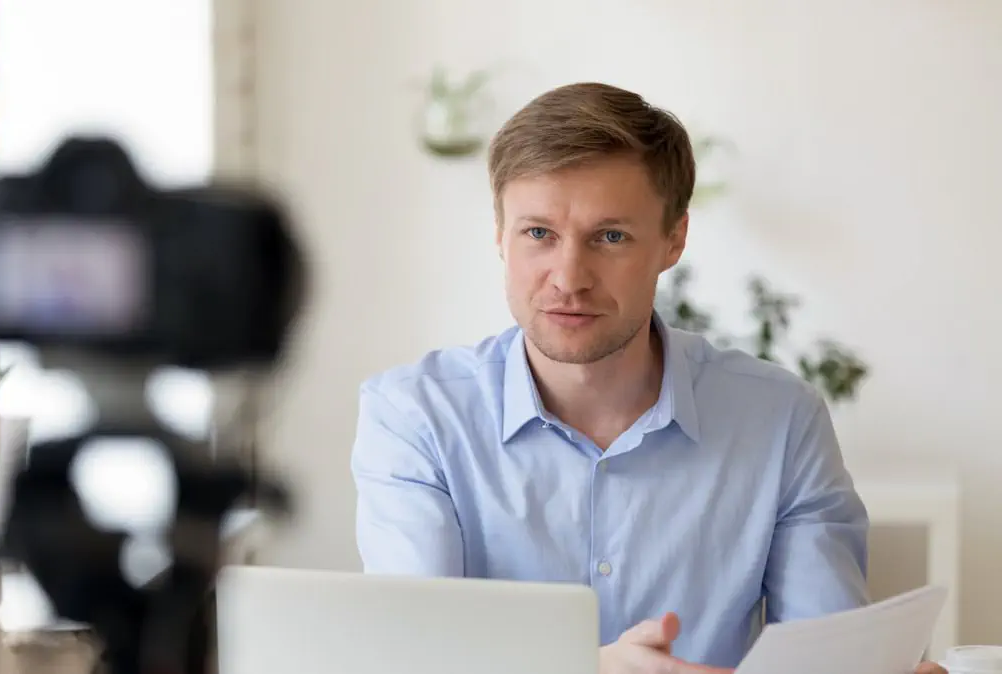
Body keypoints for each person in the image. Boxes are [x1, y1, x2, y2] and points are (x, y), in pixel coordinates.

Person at [350, 82, 946, 674]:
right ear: (499, 236)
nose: (569, 277)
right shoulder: (414, 417)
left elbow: (826, 657)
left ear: (673, 240)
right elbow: (414, 658)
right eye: (538, 234)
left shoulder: (781, 421)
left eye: (610, 237)